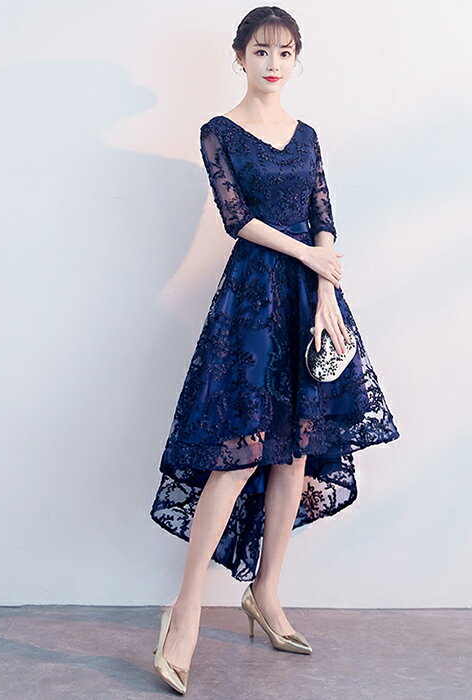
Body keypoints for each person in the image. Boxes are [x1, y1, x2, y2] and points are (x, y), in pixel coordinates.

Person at [150, 7, 400, 694]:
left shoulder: (307, 135)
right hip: (254, 299)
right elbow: (238, 219)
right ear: (240, 56)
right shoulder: (219, 131)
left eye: (285, 52)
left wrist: (326, 294)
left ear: (296, 59)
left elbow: (324, 216)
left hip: (310, 300)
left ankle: (266, 592)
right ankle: (186, 611)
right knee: (239, 453)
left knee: (295, 452)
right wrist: (311, 259)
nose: (273, 63)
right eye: (261, 50)